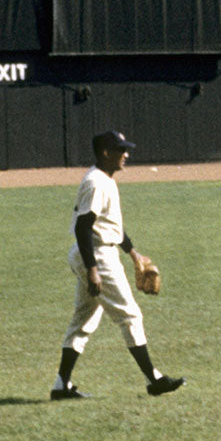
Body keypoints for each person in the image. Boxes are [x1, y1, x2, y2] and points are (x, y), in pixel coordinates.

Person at [50, 131, 185, 400]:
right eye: (121, 149)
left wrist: (134, 255)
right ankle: (154, 379)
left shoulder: (105, 179)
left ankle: (61, 385)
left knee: (84, 319)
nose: (127, 154)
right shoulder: (96, 182)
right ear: (105, 153)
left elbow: (112, 227)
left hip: (98, 252)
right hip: (97, 255)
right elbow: (83, 227)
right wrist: (92, 269)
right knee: (130, 315)